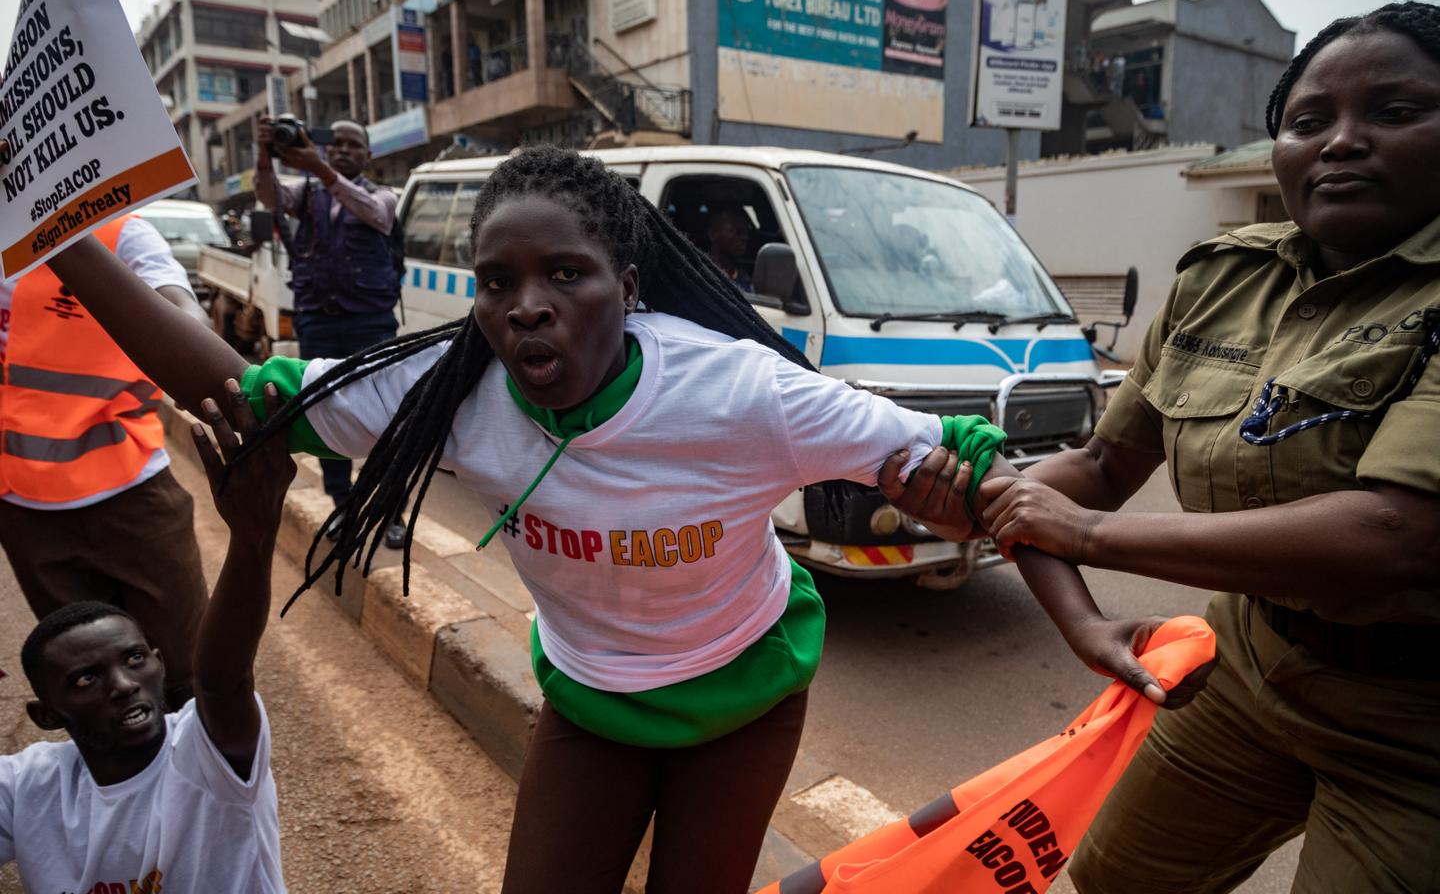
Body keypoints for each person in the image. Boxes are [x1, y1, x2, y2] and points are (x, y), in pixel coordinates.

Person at [42, 146, 1203, 894]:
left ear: (628, 283)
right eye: (499, 283)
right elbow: (223, 386)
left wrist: (1086, 627)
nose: (528, 307)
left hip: (744, 702)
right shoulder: (450, 395)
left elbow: (985, 475)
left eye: (567, 275)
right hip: (592, 707)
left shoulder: (738, 392)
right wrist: (57, 232)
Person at [882, 1, 1440, 893]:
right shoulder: (1224, 280)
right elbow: (1103, 469)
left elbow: (1395, 537)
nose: (1341, 141)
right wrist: (994, 493)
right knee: (1117, 879)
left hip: (1417, 726)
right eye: (1309, 121)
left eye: (1396, 111)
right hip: (1250, 668)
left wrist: (1082, 536)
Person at [0, 379, 294, 891]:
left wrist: (253, 537)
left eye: (135, 659)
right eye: (86, 679)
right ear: (47, 716)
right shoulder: (27, 787)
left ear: (161, 662)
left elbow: (222, 679)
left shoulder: (208, 757)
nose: (123, 684)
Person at [0, 186, 210, 713]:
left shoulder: (121, 234)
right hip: (25, 508)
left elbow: (188, 319)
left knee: (188, 674)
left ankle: (208, 789)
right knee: (91, 695)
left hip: (133, 492)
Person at [254, 115, 407, 548]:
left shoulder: (382, 195)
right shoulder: (307, 193)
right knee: (325, 414)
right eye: (334, 143)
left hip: (370, 321)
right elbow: (269, 197)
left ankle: (391, 510)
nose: (342, 150)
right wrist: (264, 158)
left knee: (386, 415)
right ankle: (344, 507)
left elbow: (374, 215)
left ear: (368, 155)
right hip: (318, 318)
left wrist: (320, 169)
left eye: (353, 145)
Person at [704, 203, 755, 292]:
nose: (744, 237)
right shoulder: (702, 273)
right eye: (737, 231)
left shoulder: (744, 277)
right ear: (713, 234)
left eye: (746, 232)